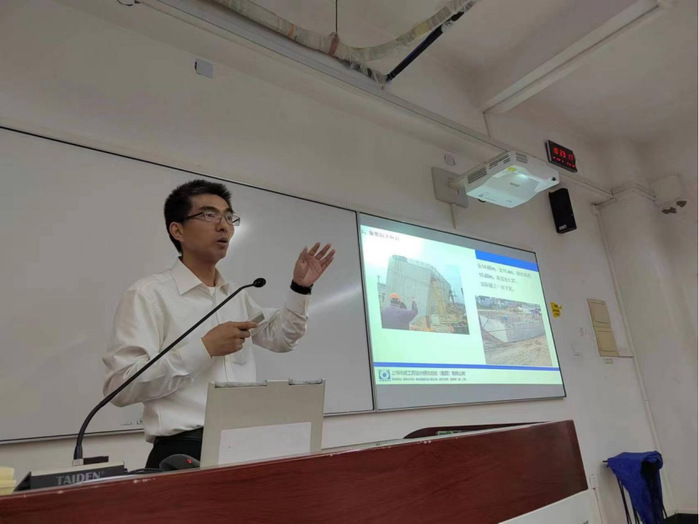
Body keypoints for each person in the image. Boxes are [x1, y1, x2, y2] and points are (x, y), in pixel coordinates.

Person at [103, 179, 334, 468]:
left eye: (228, 217)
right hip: (184, 451)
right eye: (210, 215)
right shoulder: (148, 295)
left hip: (247, 445)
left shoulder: (235, 295)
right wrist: (204, 349)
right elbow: (120, 386)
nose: (223, 226)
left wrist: (301, 288)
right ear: (177, 230)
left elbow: (282, 338)